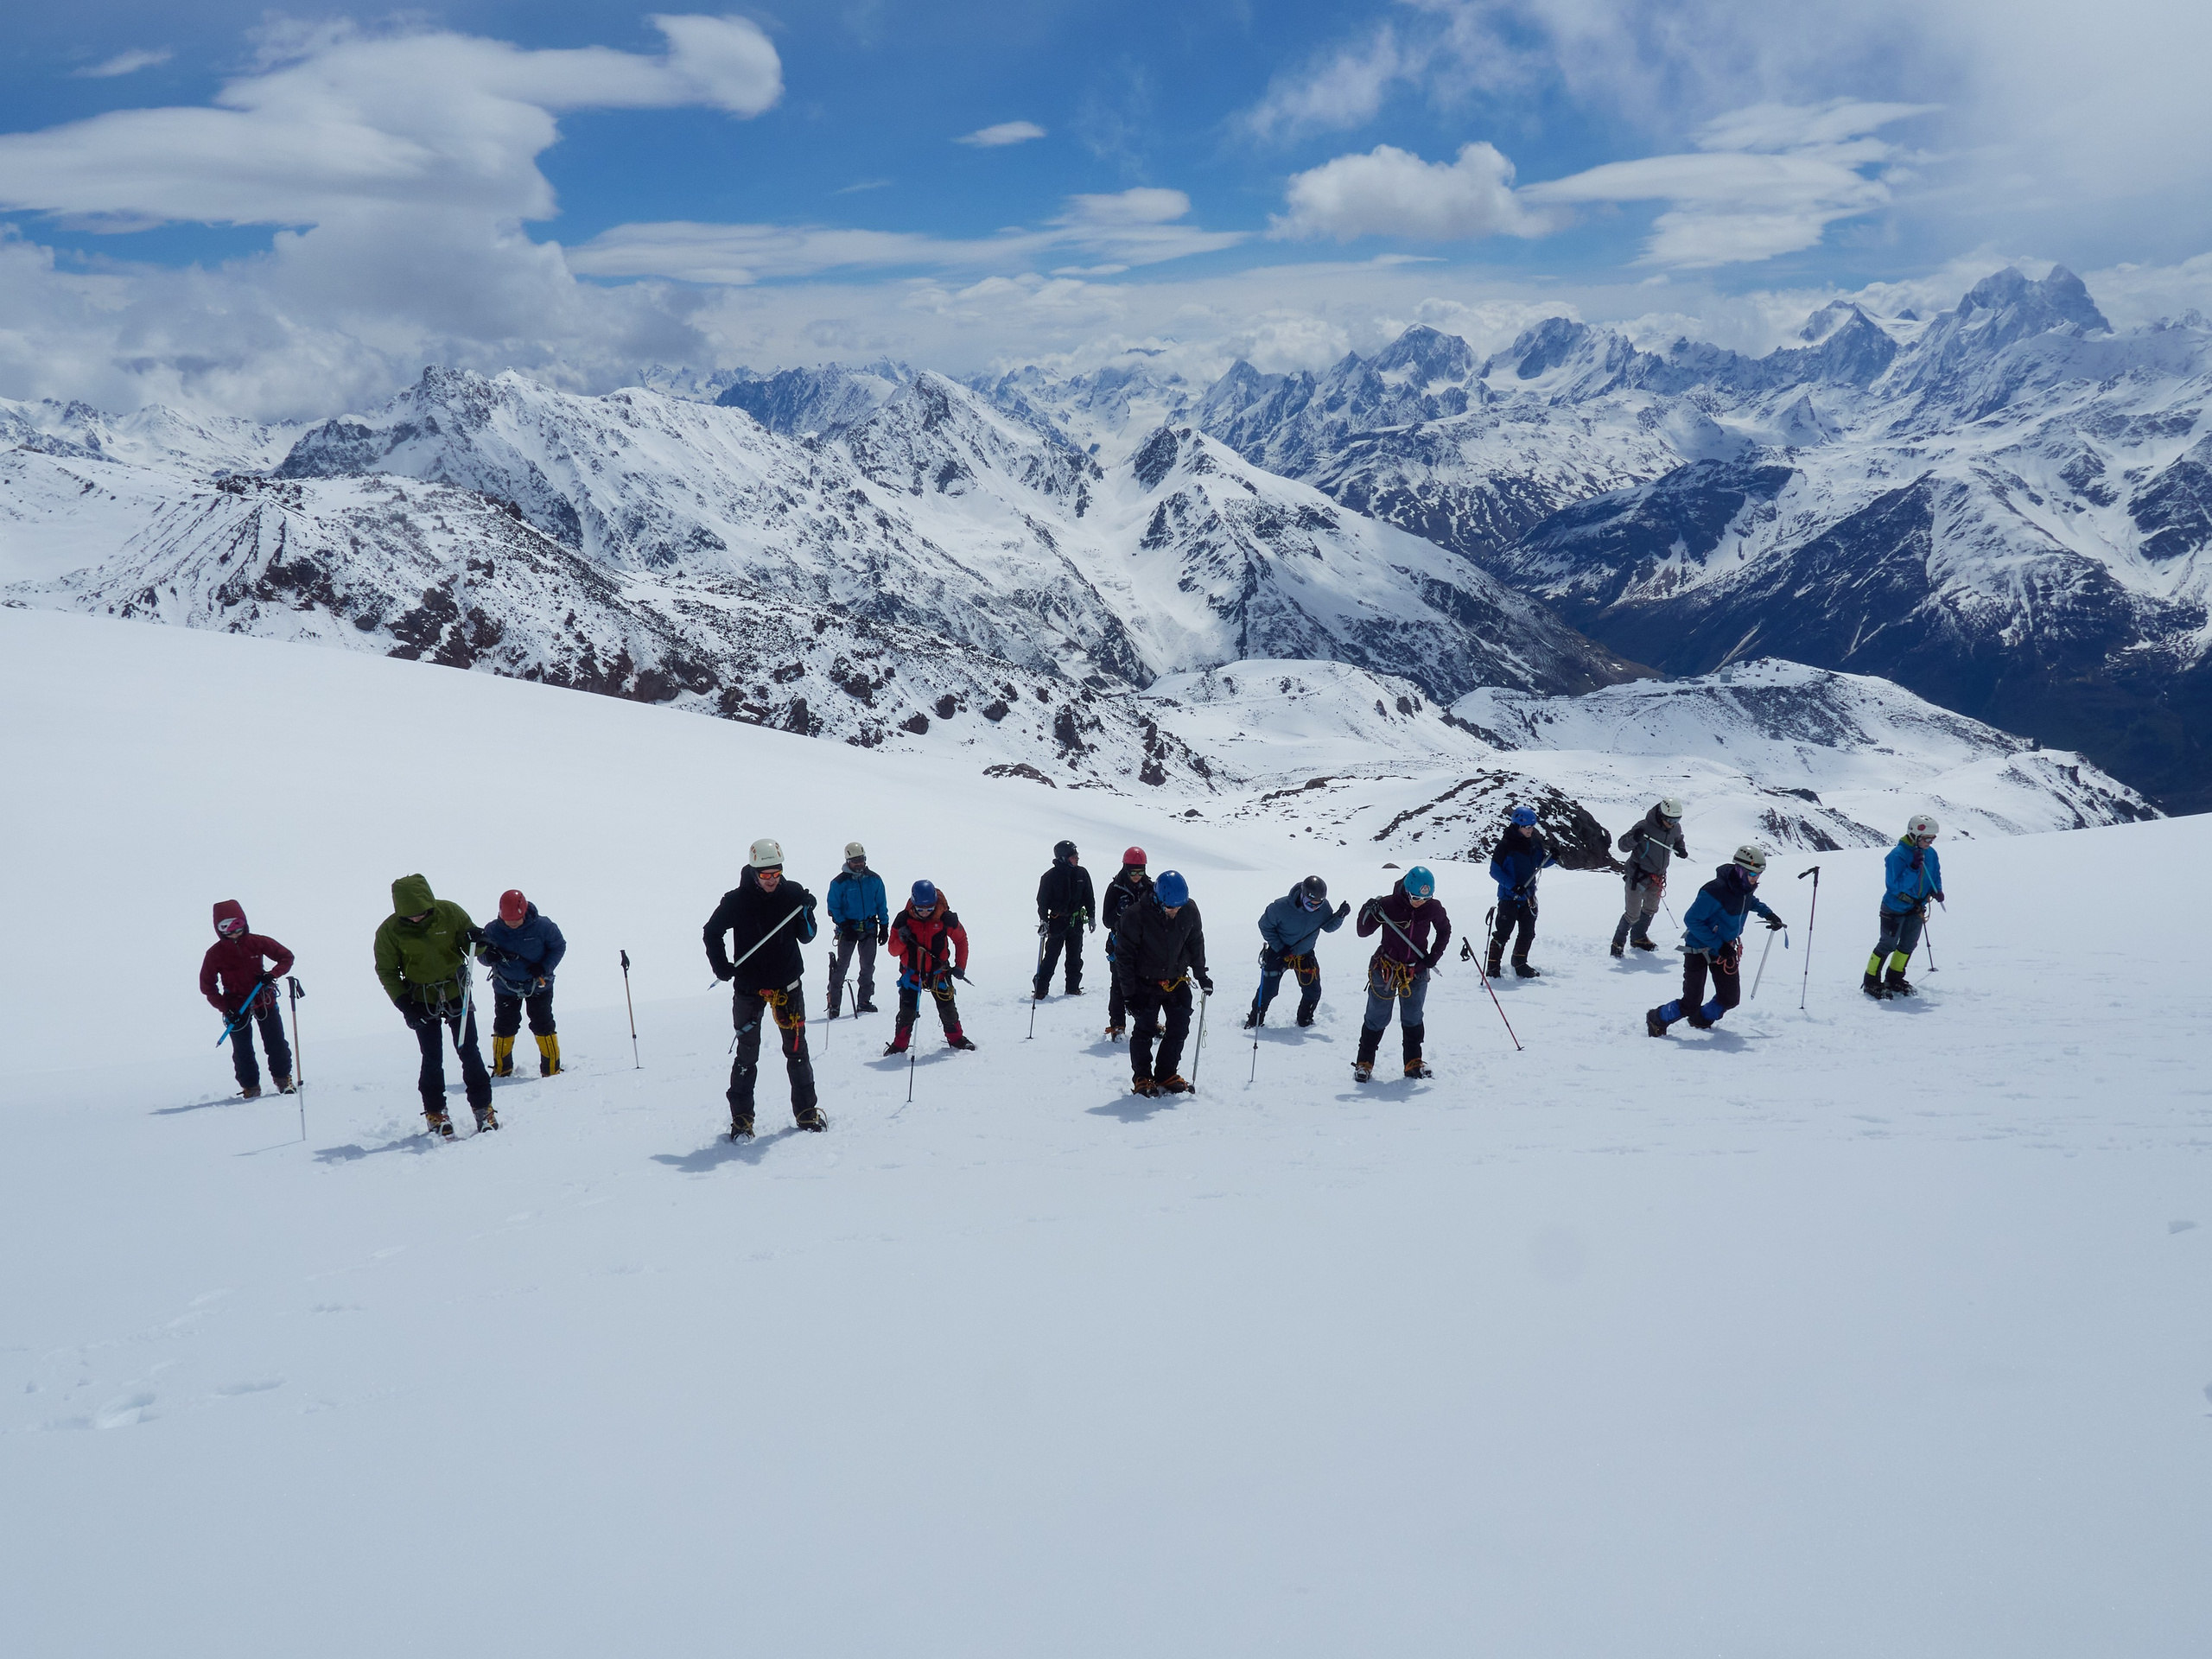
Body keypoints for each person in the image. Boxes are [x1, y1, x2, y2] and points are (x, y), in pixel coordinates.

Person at [704, 838, 825, 1140]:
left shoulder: (793, 893)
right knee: (747, 1055)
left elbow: (807, 936)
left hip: (788, 986)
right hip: (750, 989)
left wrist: (807, 913)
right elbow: (712, 933)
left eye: (776, 874)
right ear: (754, 871)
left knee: (797, 1051)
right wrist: (721, 966)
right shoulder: (736, 900)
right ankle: (742, 1121)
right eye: (765, 875)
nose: (772, 881)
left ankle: (806, 1113)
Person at [374, 874, 494, 1137]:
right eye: (410, 916)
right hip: (420, 999)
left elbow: (471, 945)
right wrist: (405, 1004)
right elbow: (387, 971)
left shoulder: (449, 913)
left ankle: (483, 1108)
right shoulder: (389, 931)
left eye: (421, 913)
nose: (417, 918)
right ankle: (435, 1112)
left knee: (469, 1050)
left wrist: (479, 940)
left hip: (456, 992)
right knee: (432, 1056)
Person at [1645, 845, 1785, 1037]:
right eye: (1753, 873)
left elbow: (1749, 901)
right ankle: (1657, 1018)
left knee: (1730, 998)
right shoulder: (1715, 891)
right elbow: (1692, 919)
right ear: (1740, 869)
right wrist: (1718, 945)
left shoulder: (1745, 888)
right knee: (1691, 1002)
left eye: (1759, 873)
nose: (1756, 878)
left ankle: (1700, 1019)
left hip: (1725, 949)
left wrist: (1769, 914)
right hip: (1699, 949)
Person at [1111, 868, 1211, 1096]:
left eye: (1178, 906)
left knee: (1179, 1028)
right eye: (1170, 907)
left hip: (1176, 980)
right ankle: (1143, 1077)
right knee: (1144, 1031)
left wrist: (1201, 975)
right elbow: (1124, 957)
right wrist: (1128, 994)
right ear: (1158, 898)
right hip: (1145, 983)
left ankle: (1166, 1073)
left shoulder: (1189, 910)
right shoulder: (1135, 916)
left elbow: (1196, 942)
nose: (1175, 911)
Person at [1353, 867, 1452, 1081]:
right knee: (1377, 1017)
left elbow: (1444, 930)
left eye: (1426, 897)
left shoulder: (1432, 908)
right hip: (1386, 969)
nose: (1420, 902)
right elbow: (1363, 931)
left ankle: (1413, 1062)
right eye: (1416, 897)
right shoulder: (1388, 905)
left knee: (1413, 1016)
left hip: (1416, 970)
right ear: (1407, 891)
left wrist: (1432, 957)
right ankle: (1364, 1063)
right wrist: (1367, 910)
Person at [200, 899, 295, 1100]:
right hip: (235, 1007)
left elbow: (286, 957)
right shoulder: (215, 953)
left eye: (237, 925)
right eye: (225, 927)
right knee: (242, 1050)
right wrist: (225, 1007)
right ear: (218, 928)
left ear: (244, 922)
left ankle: (283, 1079)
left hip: (264, 1000)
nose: (233, 931)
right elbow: (207, 986)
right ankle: (250, 1087)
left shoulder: (257, 942)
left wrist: (272, 974)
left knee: (276, 1042)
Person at [1244, 876, 1352, 1029]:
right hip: (1279, 953)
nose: (1314, 907)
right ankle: (1255, 1020)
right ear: (1302, 895)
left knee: (1313, 991)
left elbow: (1328, 927)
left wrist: (1340, 916)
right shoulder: (1279, 907)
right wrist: (1279, 947)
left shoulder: (1324, 907)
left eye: (1318, 904)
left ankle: (1305, 1020)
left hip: (1305, 954)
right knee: (1268, 991)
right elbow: (1264, 926)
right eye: (1311, 903)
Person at [480, 888, 567, 1078]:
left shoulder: (544, 926)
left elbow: (559, 946)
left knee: (543, 1024)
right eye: (508, 920)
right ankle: (502, 1070)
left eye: (516, 920)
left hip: (539, 985)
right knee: (504, 1026)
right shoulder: (492, 930)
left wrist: (544, 967)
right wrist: (488, 956)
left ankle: (552, 1070)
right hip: (506, 987)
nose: (512, 924)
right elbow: (480, 955)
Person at [884, 880, 976, 1054]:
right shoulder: (903, 919)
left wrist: (960, 966)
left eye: (929, 908)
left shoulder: (946, 918)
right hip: (911, 975)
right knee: (907, 1013)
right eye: (920, 909)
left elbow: (961, 940)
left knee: (948, 1009)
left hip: (938, 973)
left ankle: (957, 1040)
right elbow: (892, 950)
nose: (925, 912)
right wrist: (902, 940)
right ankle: (899, 1046)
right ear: (913, 903)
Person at [1865, 814, 1945, 999]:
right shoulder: (1897, 855)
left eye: (1932, 839)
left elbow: (1935, 873)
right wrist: (1913, 868)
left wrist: (1937, 890)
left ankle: (1894, 978)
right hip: (1894, 907)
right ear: (1914, 835)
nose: (1930, 843)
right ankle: (1871, 980)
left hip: (1916, 908)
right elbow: (1895, 886)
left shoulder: (1930, 854)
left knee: (1909, 944)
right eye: (1926, 839)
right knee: (1888, 944)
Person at [1486, 806, 1558, 977]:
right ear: (1517, 825)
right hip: (1509, 897)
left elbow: (1540, 863)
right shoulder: (1505, 846)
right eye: (1528, 827)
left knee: (1527, 932)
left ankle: (1520, 963)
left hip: (1528, 896)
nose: (1531, 830)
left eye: (1533, 826)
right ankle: (1493, 968)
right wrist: (1513, 886)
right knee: (1503, 933)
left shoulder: (1534, 843)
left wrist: (1553, 857)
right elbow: (1495, 871)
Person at [1612, 797, 1688, 957]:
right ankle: (1617, 943)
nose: (1672, 823)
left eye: (1676, 819)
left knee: (1651, 908)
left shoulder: (1675, 828)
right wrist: (1634, 839)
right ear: (1661, 814)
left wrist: (1680, 849)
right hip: (1637, 876)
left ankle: (1638, 938)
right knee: (1632, 914)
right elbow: (1622, 845)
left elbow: (1679, 839)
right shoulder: (1644, 826)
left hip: (1657, 877)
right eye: (1669, 819)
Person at [824, 842, 888, 1019]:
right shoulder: (839, 883)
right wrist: (844, 925)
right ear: (848, 861)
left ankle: (864, 1001)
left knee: (867, 967)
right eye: (856, 861)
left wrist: (884, 926)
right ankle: (834, 1005)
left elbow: (881, 904)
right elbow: (833, 908)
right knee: (841, 968)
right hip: (848, 929)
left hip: (869, 928)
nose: (860, 863)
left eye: (862, 859)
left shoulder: (874, 879)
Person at [1099, 847, 1152, 1040]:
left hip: (1144, 945)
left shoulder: (1150, 888)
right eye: (1133, 871)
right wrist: (1119, 914)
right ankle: (1118, 1025)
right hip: (1120, 944)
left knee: (1146, 984)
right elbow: (1106, 920)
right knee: (1119, 985)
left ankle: (1147, 1021)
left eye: (1141, 871)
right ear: (1125, 869)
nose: (1137, 876)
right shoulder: (1115, 889)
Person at [1033, 839, 1096, 998]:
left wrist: (1092, 915)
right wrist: (1044, 921)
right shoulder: (1049, 877)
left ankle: (1073, 988)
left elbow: (1089, 896)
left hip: (1076, 921)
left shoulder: (1082, 873)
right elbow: (1042, 902)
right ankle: (1041, 990)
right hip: (1057, 921)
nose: (1077, 858)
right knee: (1051, 957)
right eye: (1073, 856)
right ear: (1063, 858)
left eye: (1077, 855)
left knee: (1075, 957)